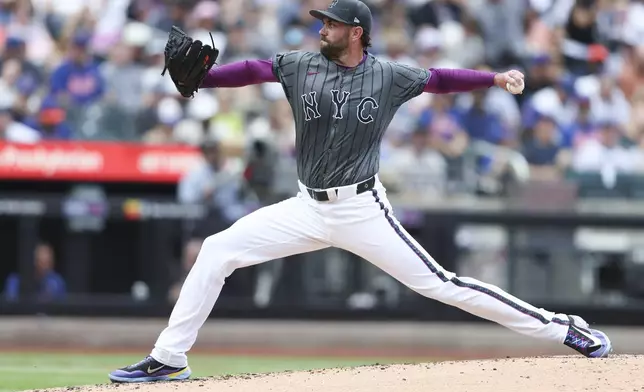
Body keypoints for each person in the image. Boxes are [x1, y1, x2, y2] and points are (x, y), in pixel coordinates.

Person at [109, 0, 612, 383]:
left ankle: (562, 328)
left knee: (441, 284)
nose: (320, 28)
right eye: (320, 21)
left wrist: (493, 78)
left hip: (361, 207)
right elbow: (255, 70)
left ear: (355, 33)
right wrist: (208, 78)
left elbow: (438, 79)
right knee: (218, 250)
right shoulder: (301, 63)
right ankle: (168, 359)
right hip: (306, 206)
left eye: (328, 23)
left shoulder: (387, 75)